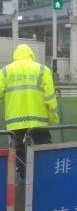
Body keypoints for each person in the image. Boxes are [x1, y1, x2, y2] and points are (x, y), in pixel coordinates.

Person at [0, 44, 59, 178]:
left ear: (15, 56)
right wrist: (53, 118)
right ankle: (47, 175)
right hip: (38, 120)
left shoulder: (5, 71)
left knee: (19, 152)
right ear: (31, 55)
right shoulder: (43, 70)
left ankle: (24, 177)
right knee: (44, 148)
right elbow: (50, 98)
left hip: (15, 121)